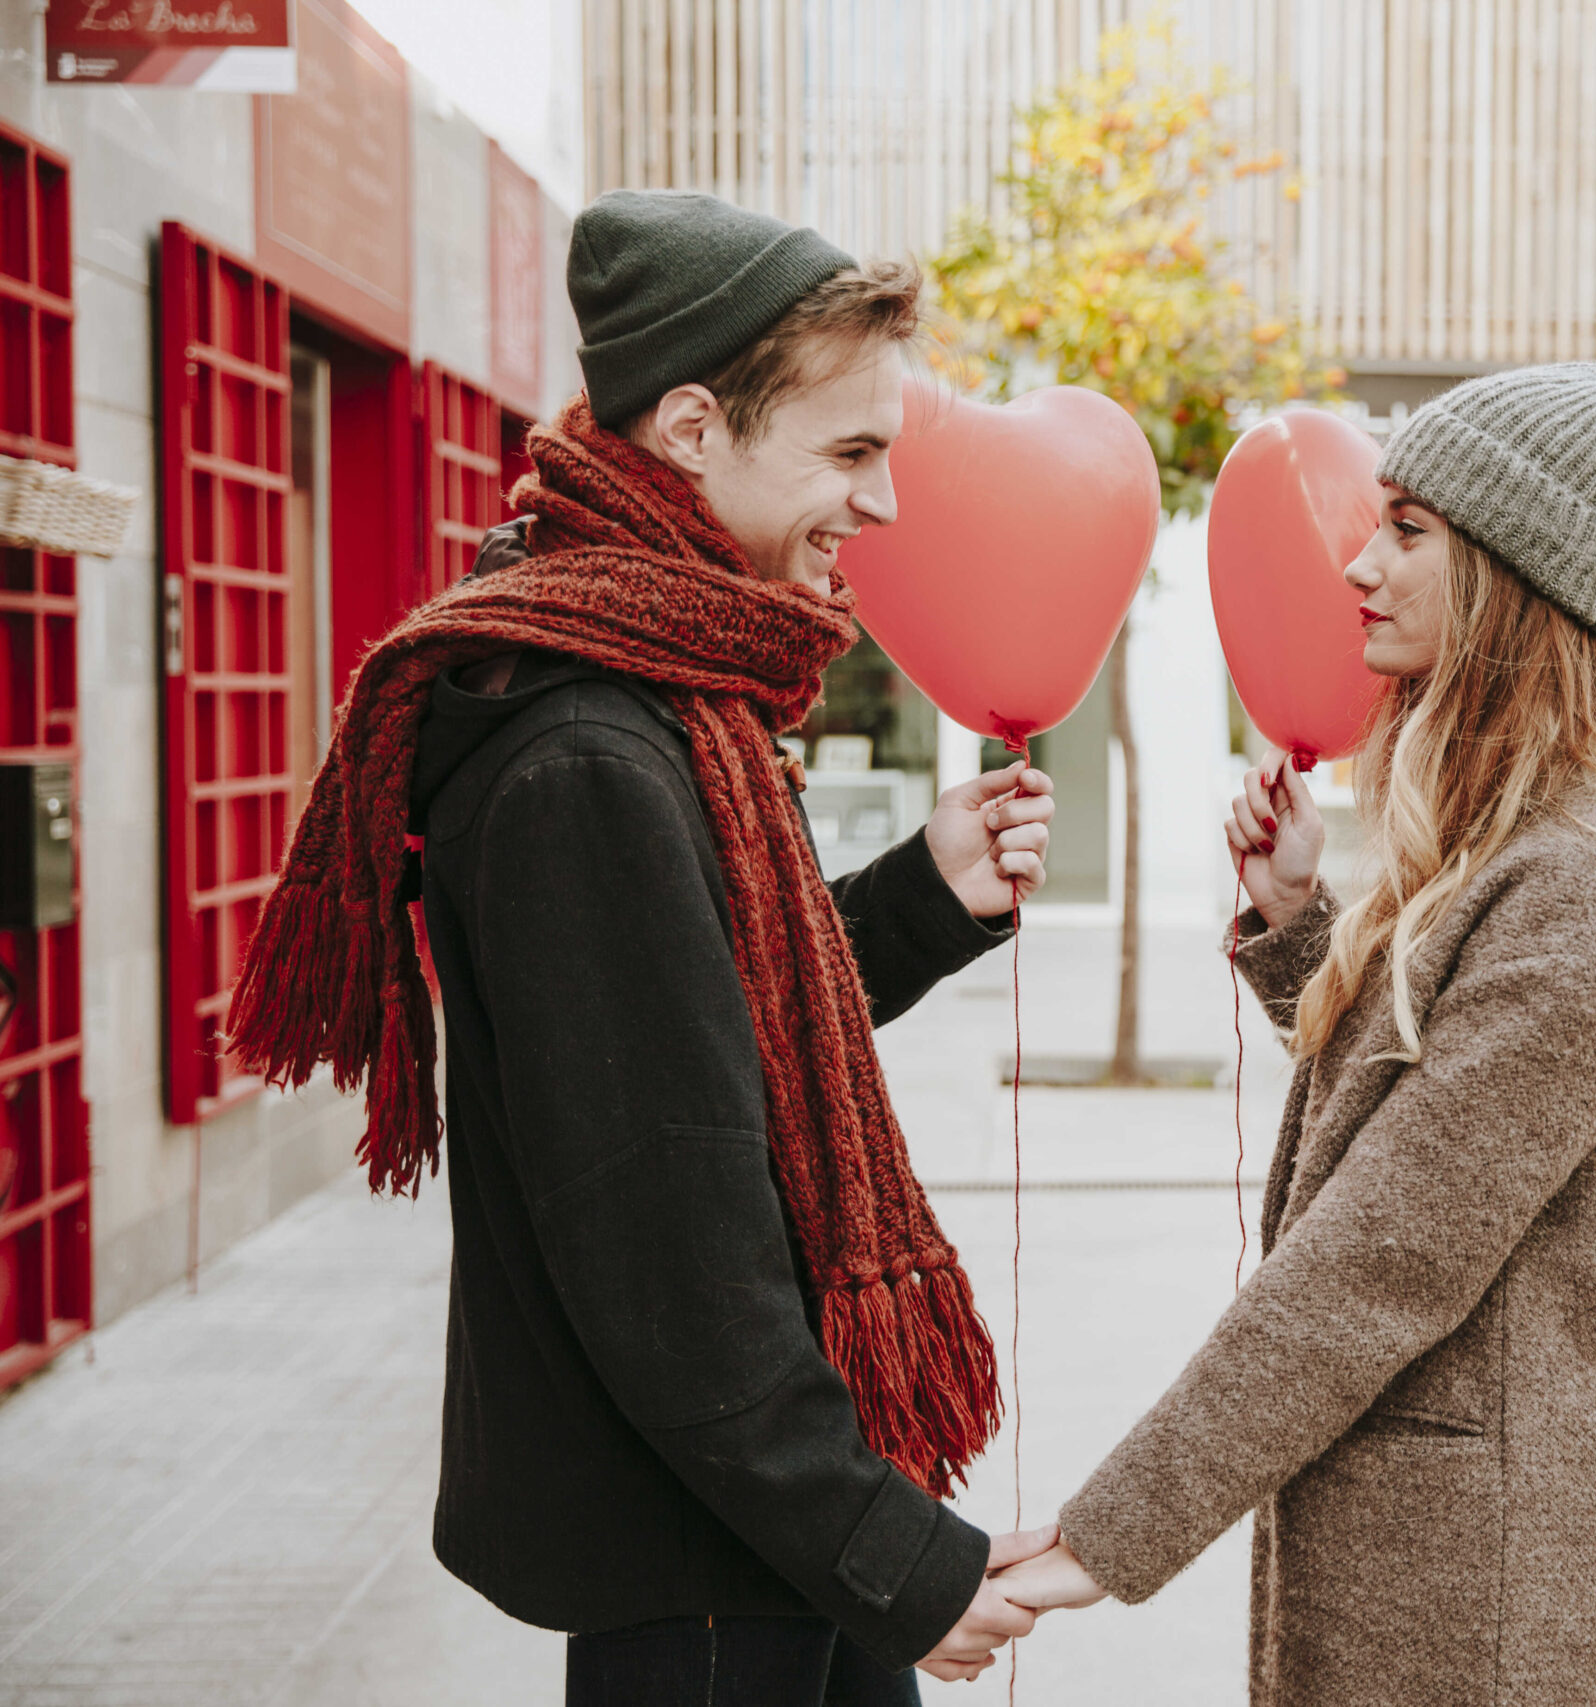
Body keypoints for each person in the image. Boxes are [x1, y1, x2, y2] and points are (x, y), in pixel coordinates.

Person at [229, 190, 1058, 1704]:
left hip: (752, 1530)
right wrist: (894, 1559)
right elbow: (668, 1238)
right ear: (691, 430)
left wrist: (924, 894)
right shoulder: (586, 755)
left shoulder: (666, 688)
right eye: (850, 452)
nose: (881, 505)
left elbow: (715, 1034)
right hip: (707, 1560)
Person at [993, 348, 1596, 1704]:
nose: (1360, 567)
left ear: (1512, 569)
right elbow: (1437, 1103)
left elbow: (1391, 1248)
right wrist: (1307, 930)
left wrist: (1104, 1536)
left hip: (1498, 1583)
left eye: (1408, 531)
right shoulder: (1536, 825)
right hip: (1468, 1532)